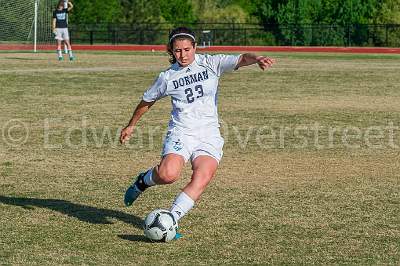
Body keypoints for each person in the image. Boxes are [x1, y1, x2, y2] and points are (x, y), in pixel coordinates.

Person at [120, 26, 275, 236]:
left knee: (203, 176)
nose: (182, 55)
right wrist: (131, 125)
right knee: (168, 175)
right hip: (182, 132)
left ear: (195, 47)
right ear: (171, 51)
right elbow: (147, 101)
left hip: (209, 134)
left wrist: (258, 58)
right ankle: (142, 181)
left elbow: (242, 58)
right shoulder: (167, 77)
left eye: (186, 49)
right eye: (177, 51)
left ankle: (172, 219)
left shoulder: (211, 63)